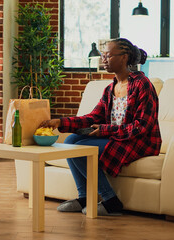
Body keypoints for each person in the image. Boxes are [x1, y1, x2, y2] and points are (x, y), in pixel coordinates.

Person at [39, 38, 161, 216]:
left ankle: (110, 200)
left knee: (80, 148)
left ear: (125, 57)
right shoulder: (110, 88)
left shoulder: (142, 85)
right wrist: (61, 122)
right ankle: (84, 197)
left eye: (108, 55)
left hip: (139, 140)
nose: (103, 59)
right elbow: (93, 117)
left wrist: (105, 130)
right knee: (71, 141)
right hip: (115, 136)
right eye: (103, 55)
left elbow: (142, 126)